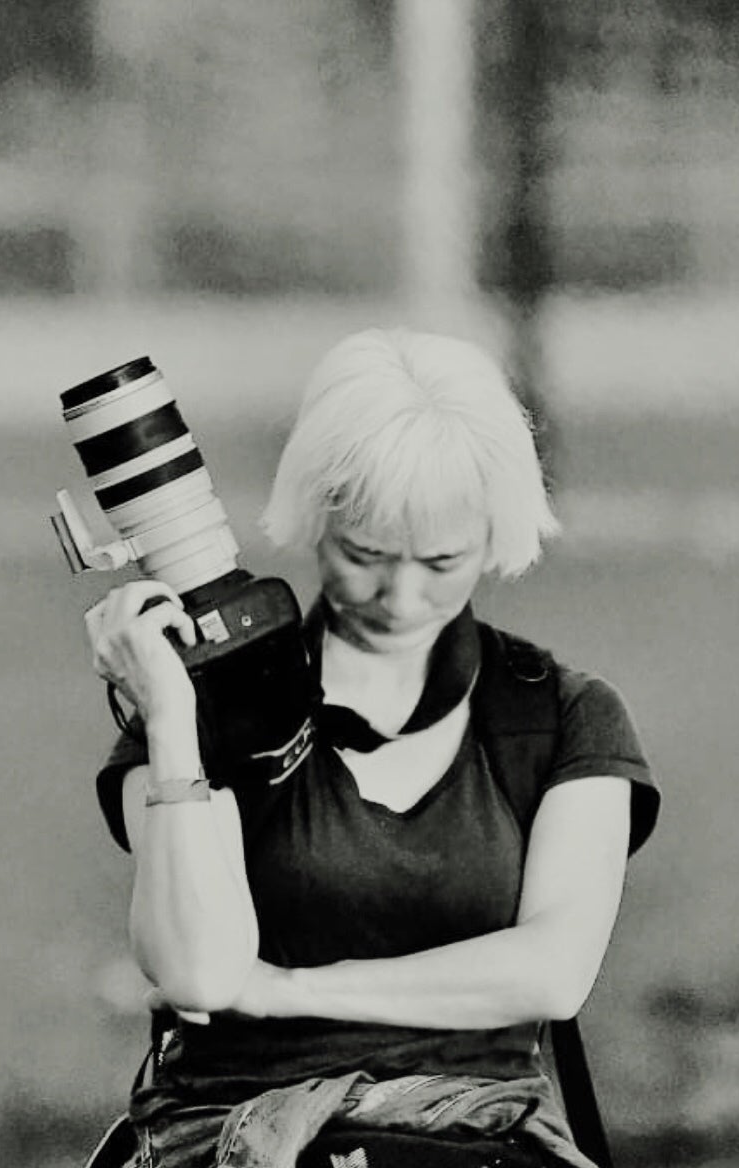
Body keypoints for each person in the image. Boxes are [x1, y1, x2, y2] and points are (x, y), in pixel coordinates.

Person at [82, 328, 660, 1168]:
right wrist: (171, 719)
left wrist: (284, 991)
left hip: (479, 1135)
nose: (401, 596)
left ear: (495, 533)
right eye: (366, 555)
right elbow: (197, 973)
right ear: (317, 517)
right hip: (233, 1134)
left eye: (442, 561)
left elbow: (552, 973)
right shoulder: (202, 707)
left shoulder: (560, 717)